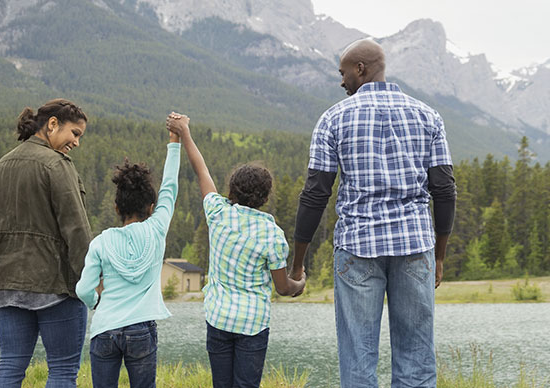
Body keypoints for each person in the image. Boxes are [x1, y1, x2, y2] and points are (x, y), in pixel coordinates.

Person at [290, 39, 456, 388]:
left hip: (357, 250)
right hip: (415, 246)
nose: (341, 81)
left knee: (359, 361)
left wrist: (297, 263)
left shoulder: (333, 119)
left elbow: (316, 192)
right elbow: (443, 188)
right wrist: (438, 256)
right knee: (416, 360)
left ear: (361, 69)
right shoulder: (428, 116)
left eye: (343, 72)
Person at [166, 112, 306, 388]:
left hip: (218, 319)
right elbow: (282, 287)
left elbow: (201, 170)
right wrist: (299, 284)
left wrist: (185, 133)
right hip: (252, 325)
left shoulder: (218, 213)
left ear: (231, 190)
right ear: (265, 197)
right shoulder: (272, 235)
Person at [0, 98, 93, 388]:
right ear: (52, 124)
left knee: (10, 366)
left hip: (7, 285)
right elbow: (76, 228)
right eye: (74, 134)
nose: (76, 143)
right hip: (55, 286)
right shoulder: (57, 165)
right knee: (63, 371)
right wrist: (90, 280)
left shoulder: (2, 164)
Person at [75, 124, 181, 388]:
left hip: (104, 329)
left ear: (116, 207)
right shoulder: (157, 229)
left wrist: (96, 303)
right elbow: (170, 186)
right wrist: (174, 140)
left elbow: (83, 289)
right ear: (152, 208)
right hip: (141, 330)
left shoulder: (101, 242)